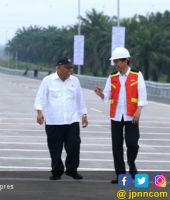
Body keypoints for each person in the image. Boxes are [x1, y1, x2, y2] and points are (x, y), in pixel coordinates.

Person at [94, 47, 148, 184]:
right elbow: (107, 95)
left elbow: (142, 94)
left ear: (125, 61)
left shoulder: (137, 75)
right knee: (116, 146)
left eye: (117, 61)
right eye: (114, 62)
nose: (115, 64)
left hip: (132, 116)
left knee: (132, 144)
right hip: (116, 116)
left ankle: (132, 164)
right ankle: (121, 175)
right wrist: (100, 93)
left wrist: (139, 110)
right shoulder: (112, 77)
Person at [34, 57, 88, 180]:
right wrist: (39, 112)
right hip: (54, 120)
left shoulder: (75, 81)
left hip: (72, 119)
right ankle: (57, 171)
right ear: (58, 67)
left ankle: (72, 169)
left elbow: (80, 99)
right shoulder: (48, 80)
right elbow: (40, 97)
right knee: (55, 148)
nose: (70, 70)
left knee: (74, 145)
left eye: (71, 67)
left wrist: (84, 114)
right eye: (67, 67)